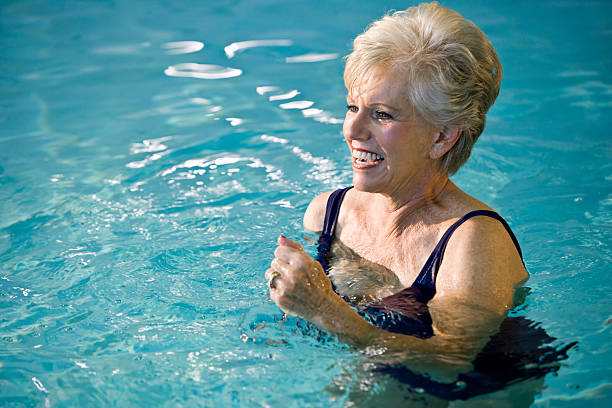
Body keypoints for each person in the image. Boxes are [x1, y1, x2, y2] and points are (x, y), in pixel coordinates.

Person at [265, 2, 536, 382]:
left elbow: (450, 362)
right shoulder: (329, 214)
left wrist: (325, 309)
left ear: (442, 136)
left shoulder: (472, 242)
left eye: (382, 114)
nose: (352, 130)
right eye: (352, 107)